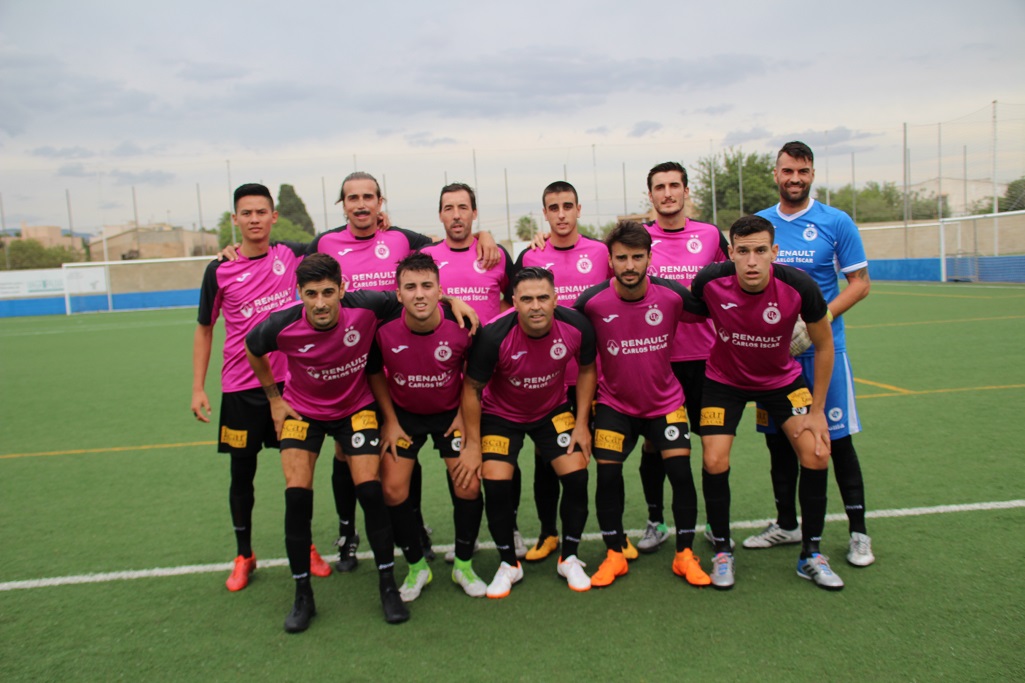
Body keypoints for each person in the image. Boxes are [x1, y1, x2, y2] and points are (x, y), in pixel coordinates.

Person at [309, 173, 500, 568]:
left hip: (419, 357)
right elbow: (301, 272)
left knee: (414, 465)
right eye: (352, 198)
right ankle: (349, 532)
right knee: (350, 454)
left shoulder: (401, 239)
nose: (361, 204)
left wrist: (484, 236)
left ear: (381, 202)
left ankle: (422, 536)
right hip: (362, 363)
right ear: (342, 205)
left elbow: (438, 255)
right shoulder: (324, 243)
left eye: (368, 197)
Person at [245, 253, 417, 631]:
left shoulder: (367, 305)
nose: (320, 303)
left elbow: (411, 298)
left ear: (342, 288)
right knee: (296, 495)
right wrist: (274, 398)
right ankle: (302, 595)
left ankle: (388, 586)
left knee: (370, 491)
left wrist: (452, 301)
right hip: (302, 412)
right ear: (299, 294)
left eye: (327, 292)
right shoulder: (281, 324)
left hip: (356, 407)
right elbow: (252, 347)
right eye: (311, 294)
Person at [191, 183, 331, 592]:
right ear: (235, 220)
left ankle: (305, 546)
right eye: (246, 213)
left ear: (273, 217)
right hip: (240, 389)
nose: (254, 219)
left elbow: (339, 240)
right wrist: (198, 387)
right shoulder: (218, 269)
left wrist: (383, 223)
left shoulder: (291, 255)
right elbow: (204, 329)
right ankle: (244, 554)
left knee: (299, 474)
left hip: (290, 388)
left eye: (261, 212)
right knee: (242, 474)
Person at [691, 215, 843, 591]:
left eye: (760, 250)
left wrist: (818, 411)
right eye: (743, 251)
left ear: (774, 251)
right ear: (730, 253)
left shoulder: (800, 286)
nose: (752, 261)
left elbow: (825, 345)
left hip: (781, 380)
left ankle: (811, 554)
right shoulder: (708, 281)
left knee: (817, 452)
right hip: (724, 381)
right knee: (713, 459)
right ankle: (722, 550)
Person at [747, 141, 875, 567]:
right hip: (774, 357)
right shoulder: (760, 224)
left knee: (835, 441)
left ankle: (859, 533)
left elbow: (860, 283)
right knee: (778, 444)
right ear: (776, 174)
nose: (795, 178)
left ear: (812, 174)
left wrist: (816, 321)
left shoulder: (835, 222)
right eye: (788, 171)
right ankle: (787, 524)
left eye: (802, 171)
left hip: (823, 352)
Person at [573, 221, 711, 589]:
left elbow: (715, 308)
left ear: (650, 257)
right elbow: (560, 326)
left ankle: (685, 554)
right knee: (607, 475)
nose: (630, 265)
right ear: (610, 260)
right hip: (614, 405)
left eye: (637, 257)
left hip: (665, 402)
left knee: (680, 473)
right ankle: (614, 553)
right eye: (622, 258)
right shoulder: (592, 302)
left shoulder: (672, 295)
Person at [461, 267, 598, 597]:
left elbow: (587, 369)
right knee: (495, 483)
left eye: (542, 297)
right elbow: (471, 388)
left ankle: (569, 558)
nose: (535, 306)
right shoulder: (493, 336)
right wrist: (473, 444)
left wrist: (581, 423)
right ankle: (509, 564)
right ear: (514, 302)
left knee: (577, 476)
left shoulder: (577, 325)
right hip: (501, 416)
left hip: (551, 411)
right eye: (526, 299)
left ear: (555, 299)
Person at [368, 252, 488, 600]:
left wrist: (463, 417)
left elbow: (473, 379)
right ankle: (417, 567)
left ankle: (463, 565)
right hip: (404, 415)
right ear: (398, 293)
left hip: (450, 413)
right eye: (410, 287)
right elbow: (374, 373)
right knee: (392, 490)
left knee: (468, 485)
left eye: (426, 286)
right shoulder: (381, 329)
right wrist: (390, 421)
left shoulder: (464, 325)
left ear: (440, 290)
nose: (419, 294)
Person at [636, 162, 731, 554]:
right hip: (657, 361)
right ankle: (655, 521)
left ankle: (714, 523)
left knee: (712, 447)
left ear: (686, 191)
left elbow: (733, 280)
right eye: (659, 187)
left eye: (674, 185)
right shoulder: (639, 238)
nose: (667, 193)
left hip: (707, 361)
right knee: (653, 445)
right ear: (651, 195)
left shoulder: (709, 235)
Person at [514, 181, 610, 563]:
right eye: (553, 208)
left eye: (567, 206)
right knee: (545, 459)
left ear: (578, 209)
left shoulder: (601, 253)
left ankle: (611, 535)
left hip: (592, 374)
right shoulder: (531, 256)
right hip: (548, 379)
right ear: (545, 213)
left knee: (600, 456)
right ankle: (548, 533)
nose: (561, 214)